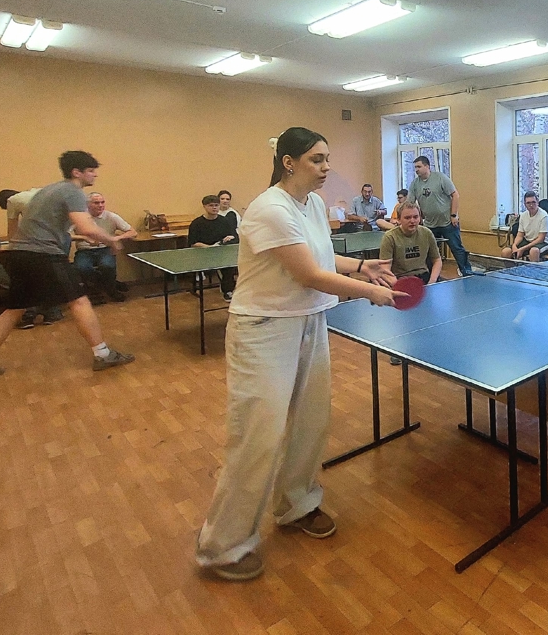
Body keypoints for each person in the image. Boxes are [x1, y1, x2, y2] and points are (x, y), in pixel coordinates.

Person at [195, 127, 403, 582]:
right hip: (263, 330)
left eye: (327, 158)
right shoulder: (269, 209)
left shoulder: (312, 204)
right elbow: (308, 274)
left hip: (309, 321)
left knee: (311, 420)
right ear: (288, 162)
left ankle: (297, 504)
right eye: (316, 159)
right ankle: (223, 546)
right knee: (258, 436)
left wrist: (362, 265)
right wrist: (370, 292)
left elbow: (322, 259)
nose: (327, 167)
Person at [0, 151, 134, 387]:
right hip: (43, 254)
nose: (95, 175)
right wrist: (112, 240)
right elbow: (86, 228)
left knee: (14, 309)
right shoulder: (73, 191)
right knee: (79, 301)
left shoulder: (48, 190)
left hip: (20, 254)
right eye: (91, 170)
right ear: (77, 172)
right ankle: (103, 354)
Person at [0, 188, 65, 328]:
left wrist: (11, 247)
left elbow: (12, 232)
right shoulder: (37, 192)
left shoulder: (13, 201)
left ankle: (29, 314)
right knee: (49, 276)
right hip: (61, 238)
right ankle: (52, 313)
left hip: (39, 244)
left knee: (30, 278)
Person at [408, 156, 472, 276]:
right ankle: (431, 276)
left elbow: (455, 195)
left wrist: (454, 215)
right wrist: (415, 218)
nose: (416, 170)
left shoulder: (440, 178)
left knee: (457, 248)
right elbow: (410, 203)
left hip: (447, 222)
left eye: (419, 166)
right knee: (429, 252)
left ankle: (466, 271)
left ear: (427, 166)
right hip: (429, 224)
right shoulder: (415, 184)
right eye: (415, 167)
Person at [72, 192, 137, 303]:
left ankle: (111, 290)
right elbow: (66, 235)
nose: (100, 205)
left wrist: (116, 238)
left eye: (102, 202)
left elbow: (133, 232)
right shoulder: (80, 217)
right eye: (96, 203)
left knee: (107, 266)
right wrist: (84, 238)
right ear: (88, 204)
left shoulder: (111, 216)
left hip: (105, 249)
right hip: (84, 250)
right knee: (82, 268)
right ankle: (99, 290)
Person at [187, 195, 239, 301]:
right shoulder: (196, 223)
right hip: (203, 254)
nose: (214, 208)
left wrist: (230, 238)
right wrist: (209, 247)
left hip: (222, 252)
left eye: (216, 205)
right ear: (204, 206)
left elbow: (232, 236)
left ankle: (227, 290)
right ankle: (227, 288)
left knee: (230, 266)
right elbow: (193, 243)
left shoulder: (224, 221)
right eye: (211, 205)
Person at [380, 200, 442, 285]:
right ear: (399, 219)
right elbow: (385, 269)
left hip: (423, 277)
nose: (412, 221)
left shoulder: (427, 233)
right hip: (400, 279)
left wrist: (432, 282)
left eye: (415, 217)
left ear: (420, 218)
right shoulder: (390, 237)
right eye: (407, 218)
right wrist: (398, 285)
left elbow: (437, 260)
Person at [501, 191, 548, 261]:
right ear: (525, 204)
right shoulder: (523, 216)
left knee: (533, 251)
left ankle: (533, 268)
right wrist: (514, 245)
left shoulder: (544, 216)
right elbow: (520, 235)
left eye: (533, 202)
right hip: (527, 241)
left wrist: (522, 249)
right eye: (528, 203)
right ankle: (513, 268)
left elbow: (541, 239)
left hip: (543, 243)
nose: (531, 205)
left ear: (537, 202)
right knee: (506, 252)